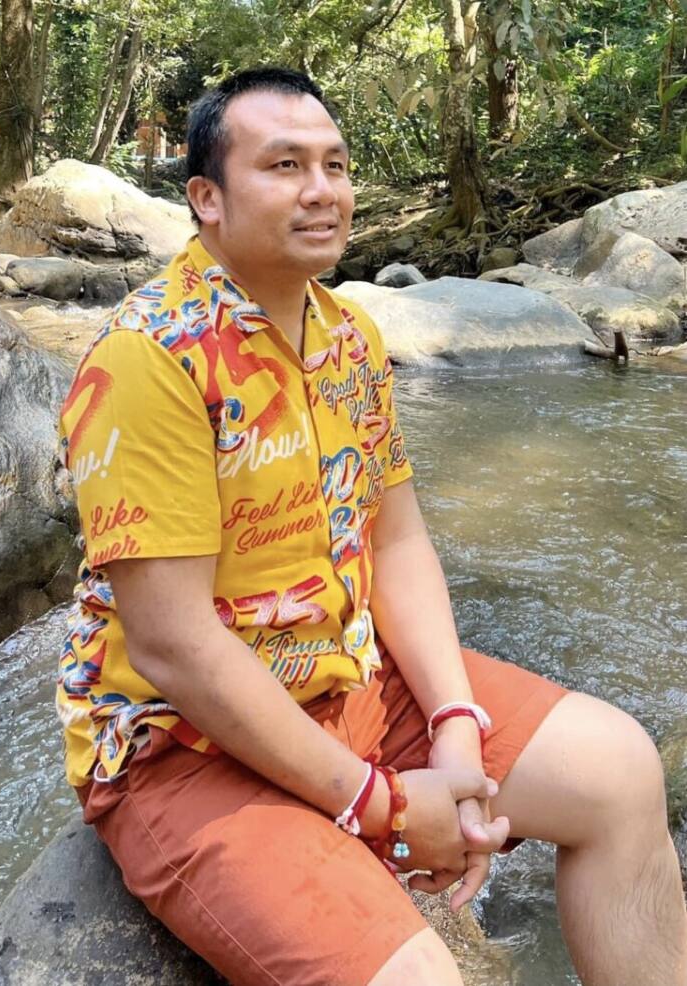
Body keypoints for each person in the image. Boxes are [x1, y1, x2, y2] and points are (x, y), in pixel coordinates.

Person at [56, 66, 687, 986]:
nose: (322, 190)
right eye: (284, 165)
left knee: (621, 772)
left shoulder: (348, 335)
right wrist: (381, 805)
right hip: (184, 746)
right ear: (206, 199)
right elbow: (174, 646)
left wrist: (456, 725)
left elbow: (396, 541)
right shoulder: (148, 358)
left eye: (336, 165)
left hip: (351, 678)